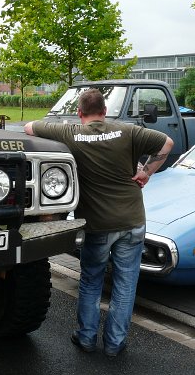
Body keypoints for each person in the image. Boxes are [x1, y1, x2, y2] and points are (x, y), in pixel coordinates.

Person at [24, 89, 173, 357]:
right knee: (125, 284)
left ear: (80, 113)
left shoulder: (70, 133)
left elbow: (29, 127)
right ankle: (115, 344)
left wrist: (63, 127)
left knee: (91, 281)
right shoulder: (127, 132)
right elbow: (167, 144)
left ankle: (86, 338)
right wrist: (146, 172)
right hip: (133, 221)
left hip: (97, 225)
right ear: (105, 112)